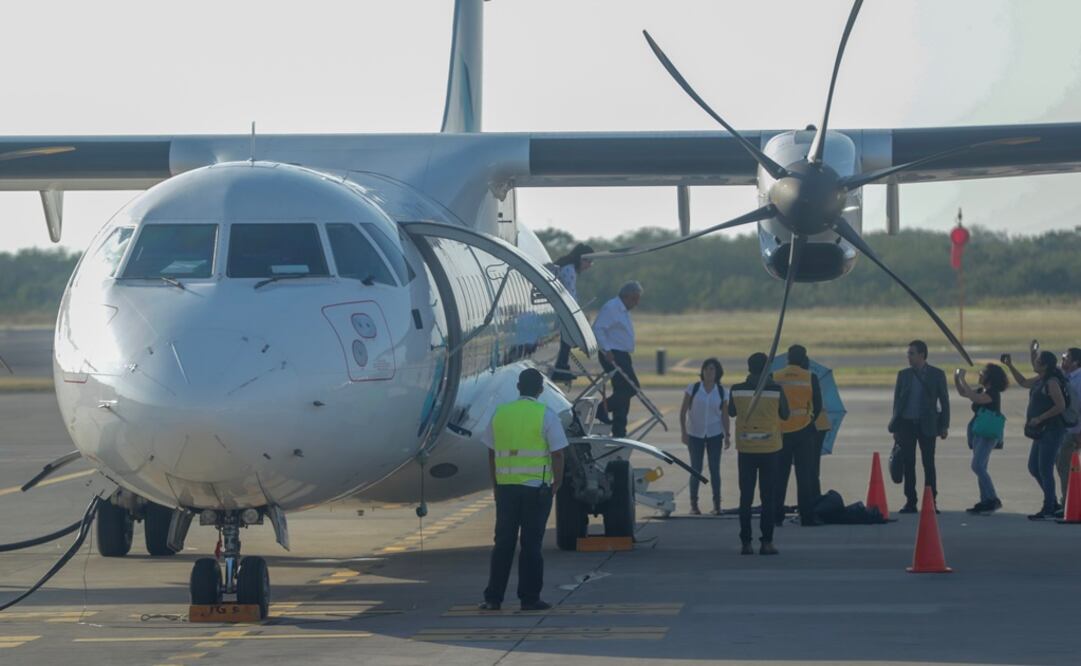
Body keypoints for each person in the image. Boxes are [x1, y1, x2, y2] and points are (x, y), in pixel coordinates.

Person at [479, 368, 567, 611]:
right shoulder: (546, 414)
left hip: (506, 489)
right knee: (531, 545)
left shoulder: (500, 413)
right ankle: (529, 598)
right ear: (541, 389)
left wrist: (496, 484)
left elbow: (491, 452)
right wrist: (557, 482)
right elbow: (558, 453)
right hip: (536, 490)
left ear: (518, 387)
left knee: (503, 544)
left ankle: (493, 598)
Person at [728, 353, 790, 555]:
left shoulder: (736, 389)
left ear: (749, 368)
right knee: (768, 497)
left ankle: (746, 543)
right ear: (767, 369)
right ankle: (767, 542)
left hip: (746, 448)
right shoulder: (776, 390)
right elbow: (785, 414)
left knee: (745, 497)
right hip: (770, 448)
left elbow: (731, 412)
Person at [1004, 347, 1068, 520]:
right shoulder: (1041, 379)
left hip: (1052, 430)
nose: (1035, 363)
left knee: (1045, 469)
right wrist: (1010, 365)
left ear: (1045, 365)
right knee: (1034, 467)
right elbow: (1024, 382)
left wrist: (1040, 418)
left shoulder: (1052, 382)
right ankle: (1052, 501)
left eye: (1038, 361)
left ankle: (1049, 508)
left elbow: (1060, 406)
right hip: (1040, 431)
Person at [889, 340, 950, 514]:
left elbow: (944, 401)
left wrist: (944, 425)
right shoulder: (903, 375)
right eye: (908, 354)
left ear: (922, 355)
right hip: (906, 425)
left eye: (911, 353)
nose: (908, 357)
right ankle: (910, 501)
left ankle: (931, 501)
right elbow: (897, 403)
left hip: (928, 425)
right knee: (908, 464)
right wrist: (895, 426)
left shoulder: (937, 374)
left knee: (928, 464)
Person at [774, 345, 824, 526]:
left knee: (780, 476)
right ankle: (807, 517)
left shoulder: (776, 376)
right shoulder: (810, 377)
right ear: (804, 358)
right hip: (803, 431)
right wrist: (809, 420)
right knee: (804, 477)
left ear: (788, 358)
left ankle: (776, 516)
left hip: (781, 431)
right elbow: (818, 405)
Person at [954, 364, 1009, 514]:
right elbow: (963, 392)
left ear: (990, 377)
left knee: (977, 466)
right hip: (979, 432)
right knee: (981, 467)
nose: (979, 374)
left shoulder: (993, 393)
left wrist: (963, 379)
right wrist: (957, 377)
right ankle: (985, 500)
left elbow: (976, 399)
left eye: (982, 373)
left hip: (987, 434)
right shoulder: (982, 390)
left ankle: (993, 499)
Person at [679, 358, 731, 515]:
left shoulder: (722, 391)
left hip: (715, 434)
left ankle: (717, 505)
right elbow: (683, 412)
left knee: (715, 469)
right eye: (706, 369)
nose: (709, 372)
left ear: (717, 372)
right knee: (696, 469)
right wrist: (683, 432)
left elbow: (725, 415)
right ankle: (694, 504)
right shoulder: (693, 388)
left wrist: (727, 435)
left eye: (712, 369)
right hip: (695, 434)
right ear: (702, 371)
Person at [593, 281, 642, 438]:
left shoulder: (623, 310)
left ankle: (619, 430)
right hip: (613, 354)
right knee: (632, 388)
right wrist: (607, 349)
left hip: (622, 354)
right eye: (634, 299)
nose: (636, 303)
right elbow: (598, 328)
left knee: (622, 391)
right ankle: (602, 409)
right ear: (626, 296)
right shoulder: (612, 308)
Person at [550, 244, 594, 383]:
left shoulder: (567, 267)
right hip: (560, 310)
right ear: (581, 259)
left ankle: (562, 365)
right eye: (588, 261)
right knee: (567, 337)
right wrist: (579, 314)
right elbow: (570, 294)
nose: (590, 265)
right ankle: (560, 367)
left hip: (558, 308)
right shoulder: (569, 269)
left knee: (567, 339)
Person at [1055, 348, 1081, 507]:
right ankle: (1068, 500)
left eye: (1066, 357)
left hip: (1074, 430)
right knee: (1063, 466)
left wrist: (1079, 432)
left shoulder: (1079, 379)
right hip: (1065, 429)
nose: (1062, 359)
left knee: (1065, 466)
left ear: (1075, 362)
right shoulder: (1067, 376)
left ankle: (1068, 503)